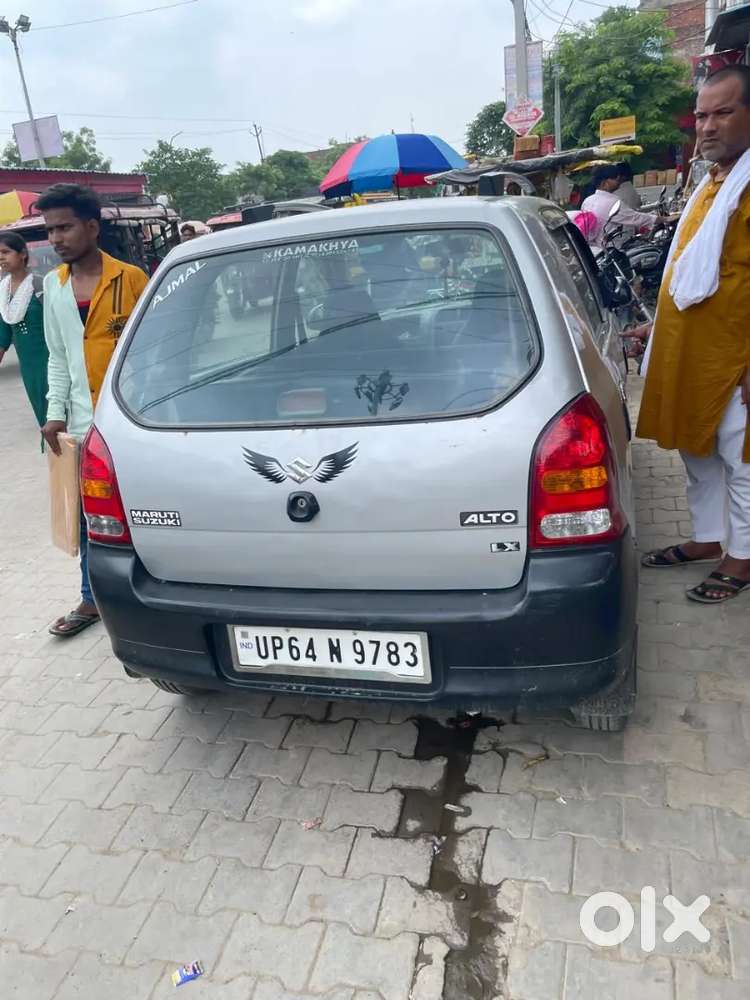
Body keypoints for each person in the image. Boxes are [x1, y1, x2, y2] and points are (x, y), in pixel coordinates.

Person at [636, 65, 750, 604]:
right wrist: (658, 324)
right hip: (687, 352)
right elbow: (691, 272)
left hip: (734, 358)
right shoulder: (713, 182)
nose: (706, 126)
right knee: (696, 453)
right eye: (702, 115)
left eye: (722, 112)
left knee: (740, 459)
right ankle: (709, 538)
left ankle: (743, 556)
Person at [38, 184, 149, 636]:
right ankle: (92, 597)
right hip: (84, 426)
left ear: (92, 226)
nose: (56, 238)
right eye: (50, 230)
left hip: (132, 419)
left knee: (142, 505)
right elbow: (58, 355)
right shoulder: (53, 286)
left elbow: (151, 353)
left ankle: (153, 584)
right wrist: (54, 412)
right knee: (91, 513)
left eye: (64, 227)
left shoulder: (132, 279)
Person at [0, 231, 47, 434]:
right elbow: (3, 333)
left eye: (5, 252)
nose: (1, 258)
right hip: (29, 367)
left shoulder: (41, 285)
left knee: (61, 414)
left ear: (23, 254)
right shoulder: (2, 291)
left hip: (51, 360)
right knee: (42, 415)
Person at [581, 164, 657, 245]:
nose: (618, 182)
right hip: (615, 247)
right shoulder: (612, 201)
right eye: (616, 179)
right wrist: (661, 219)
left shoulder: (587, 201)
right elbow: (635, 218)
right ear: (605, 183)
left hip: (594, 246)